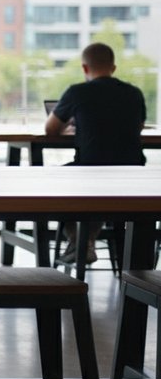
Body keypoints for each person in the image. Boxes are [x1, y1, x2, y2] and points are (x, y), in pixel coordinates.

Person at [45, 42, 147, 265]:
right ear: (114, 67)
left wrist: (76, 125)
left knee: (51, 183)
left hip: (91, 172)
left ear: (84, 68)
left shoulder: (77, 92)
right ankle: (102, 246)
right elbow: (137, 127)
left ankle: (82, 240)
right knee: (100, 190)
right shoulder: (134, 93)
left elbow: (50, 129)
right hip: (133, 175)